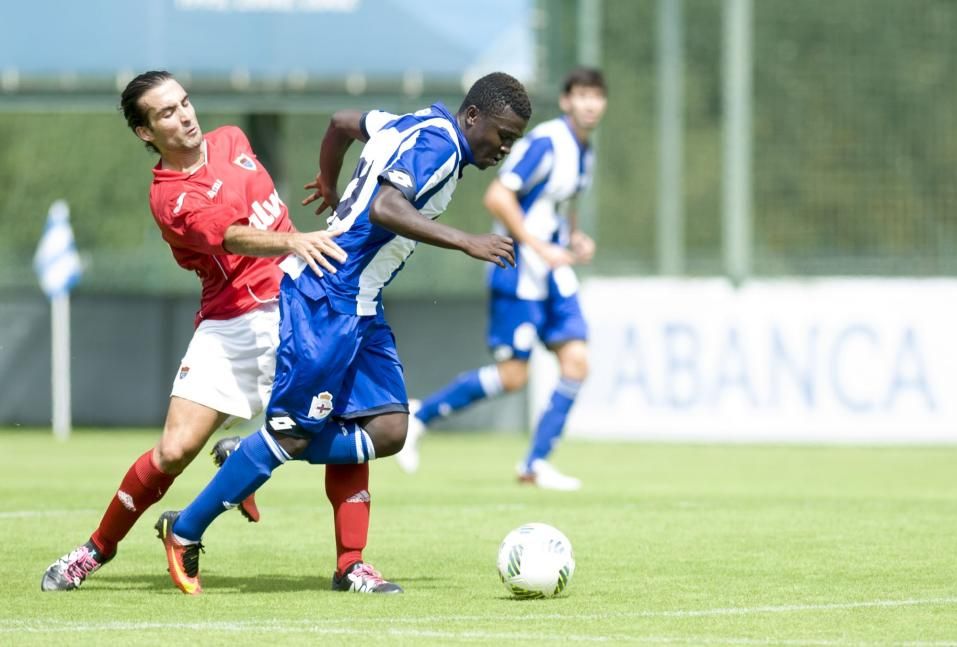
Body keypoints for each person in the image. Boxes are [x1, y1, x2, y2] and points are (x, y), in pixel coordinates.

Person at [155, 71, 532, 595]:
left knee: (389, 429)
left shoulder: (408, 122)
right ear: (472, 118)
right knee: (293, 432)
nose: (505, 149)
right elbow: (385, 207)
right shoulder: (441, 147)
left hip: (361, 302)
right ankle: (188, 529)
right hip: (328, 298)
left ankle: (306, 513)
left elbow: (340, 123)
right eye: (503, 136)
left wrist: (329, 183)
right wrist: (466, 241)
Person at [40, 71, 389, 595]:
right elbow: (231, 235)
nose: (185, 116)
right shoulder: (171, 199)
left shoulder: (232, 140)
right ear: (145, 133)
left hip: (296, 308)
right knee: (173, 452)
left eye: (184, 103)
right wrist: (291, 242)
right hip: (231, 324)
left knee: (344, 421)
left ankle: (351, 565)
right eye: (166, 113)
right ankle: (93, 552)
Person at [396, 68, 608, 491]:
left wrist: (574, 237)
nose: (590, 104)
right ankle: (417, 417)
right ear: (566, 101)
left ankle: (534, 464)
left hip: (553, 275)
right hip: (520, 273)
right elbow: (498, 195)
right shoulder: (547, 142)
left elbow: (561, 206)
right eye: (581, 95)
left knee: (577, 363)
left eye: (597, 97)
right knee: (513, 377)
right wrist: (536, 244)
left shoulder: (585, 151)